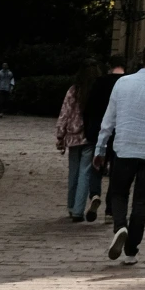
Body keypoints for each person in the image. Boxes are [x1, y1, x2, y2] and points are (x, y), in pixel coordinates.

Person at [94, 38, 145, 266]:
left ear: (142, 59)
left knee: (119, 193)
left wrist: (100, 149)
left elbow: (108, 120)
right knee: (141, 201)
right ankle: (131, 250)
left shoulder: (122, 84)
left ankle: (120, 225)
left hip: (124, 147)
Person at [81, 59, 125, 221]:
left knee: (96, 165)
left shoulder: (99, 83)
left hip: (98, 131)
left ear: (109, 67)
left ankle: (94, 194)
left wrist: (87, 130)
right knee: (115, 172)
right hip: (119, 132)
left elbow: (88, 108)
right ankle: (110, 211)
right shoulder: (126, 83)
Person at [54, 76, 92, 221]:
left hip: (73, 135)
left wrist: (60, 134)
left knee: (73, 172)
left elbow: (65, 112)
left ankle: (71, 205)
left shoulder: (74, 90)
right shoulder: (95, 90)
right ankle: (78, 209)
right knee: (85, 173)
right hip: (89, 136)